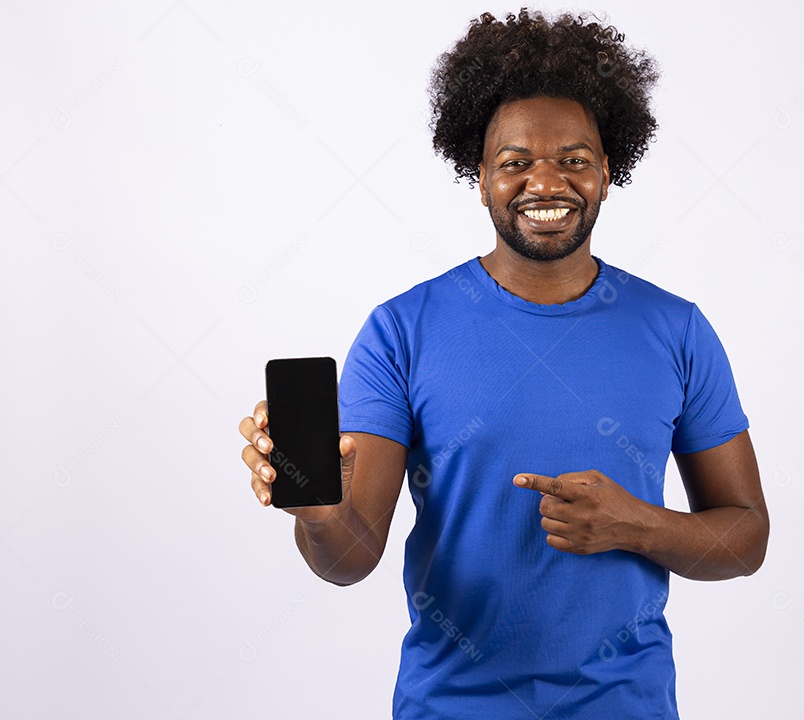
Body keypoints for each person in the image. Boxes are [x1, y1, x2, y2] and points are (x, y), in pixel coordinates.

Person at [239, 9, 768, 718]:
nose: (545, 182)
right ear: (481, 176)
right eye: (516, 162)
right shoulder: (402, 331)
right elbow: (348, 560)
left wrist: (633, 525)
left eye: (574, 160)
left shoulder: (675, 329)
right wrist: (318, 512)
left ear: (608, 174)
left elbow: (745, 536)